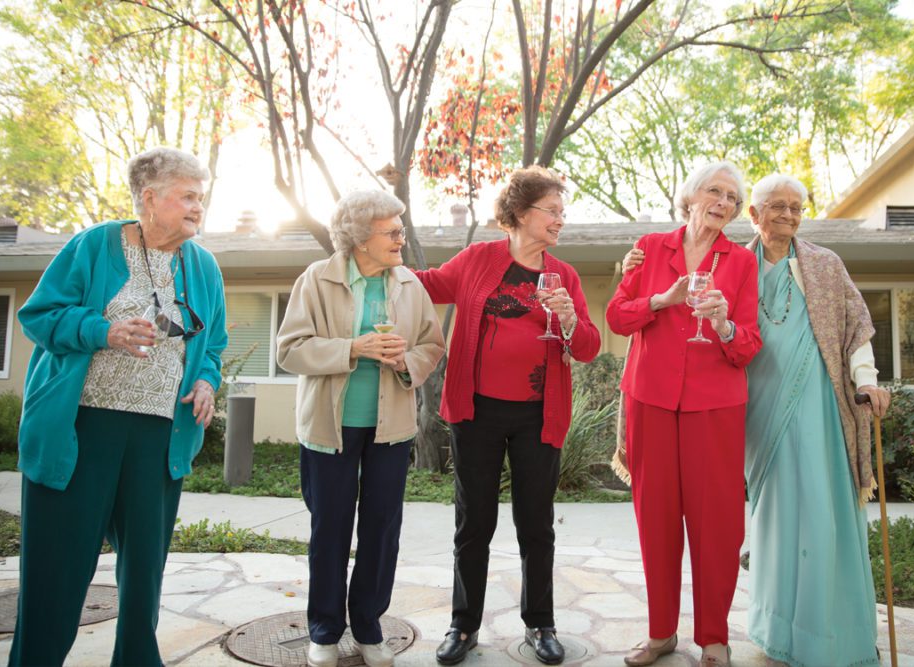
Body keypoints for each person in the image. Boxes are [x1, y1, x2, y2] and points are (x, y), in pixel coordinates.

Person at [10, 147, 228, 666]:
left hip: (158, 435)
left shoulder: (202, 266)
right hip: (81, 429)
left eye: (202, 196)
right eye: (188, 196)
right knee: (57, 570)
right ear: (149, 199)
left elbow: (212, 344)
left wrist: (205, 383)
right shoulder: (93, 246)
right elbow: (39, 317)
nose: (199, 207)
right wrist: (101, 330)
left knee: (144, 573)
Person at [415, 166, 601, 666]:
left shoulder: (565, 276)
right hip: (475, 413)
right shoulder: (479, 259)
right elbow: (428, 285)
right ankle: (463, 624)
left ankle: (540, 624)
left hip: (539, 415)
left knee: (535, 524)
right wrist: (377, 260)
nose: (561, 220)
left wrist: (567, 318)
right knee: (473, 522)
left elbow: (587, 346)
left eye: (563, 212)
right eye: (552, 211)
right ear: (520, 214)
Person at [276, 190, 445, 667]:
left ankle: (369, 627)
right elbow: (289, 350)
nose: (400, 238)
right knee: (329, 529)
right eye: (391, 231)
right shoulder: (317, 278)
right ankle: (324, 632)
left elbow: (432, 344)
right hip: (329, 429)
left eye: (401, 229)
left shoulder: (410, 284)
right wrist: (353, 349)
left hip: (390, 429)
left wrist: (404, 361)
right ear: (360, 237)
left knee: (381, 529)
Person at [607, 161, 762, 667]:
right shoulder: (649, 249)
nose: (724, 202)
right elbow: (617, 316)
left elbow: (748, 345)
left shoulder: (740, 262)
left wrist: (721, 325)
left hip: (716, 406)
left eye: (733, 198)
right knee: (656, 520)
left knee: (716, 522)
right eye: (715, 191)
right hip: (650, 399)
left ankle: (713, 636)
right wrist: (661, 298)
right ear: (691, 196)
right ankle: (660, 633)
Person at [742, 174, 889, 667]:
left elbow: (856, 329)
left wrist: (866, 379)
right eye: (777, 207)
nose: (788, 215)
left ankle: (833, 635)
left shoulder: (826, 264)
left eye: (796, 208)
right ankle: (775, 629)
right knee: (777, 516)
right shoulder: (732, 265)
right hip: (758, 411)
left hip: (823, 404)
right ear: (754, 214)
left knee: (826, 514)